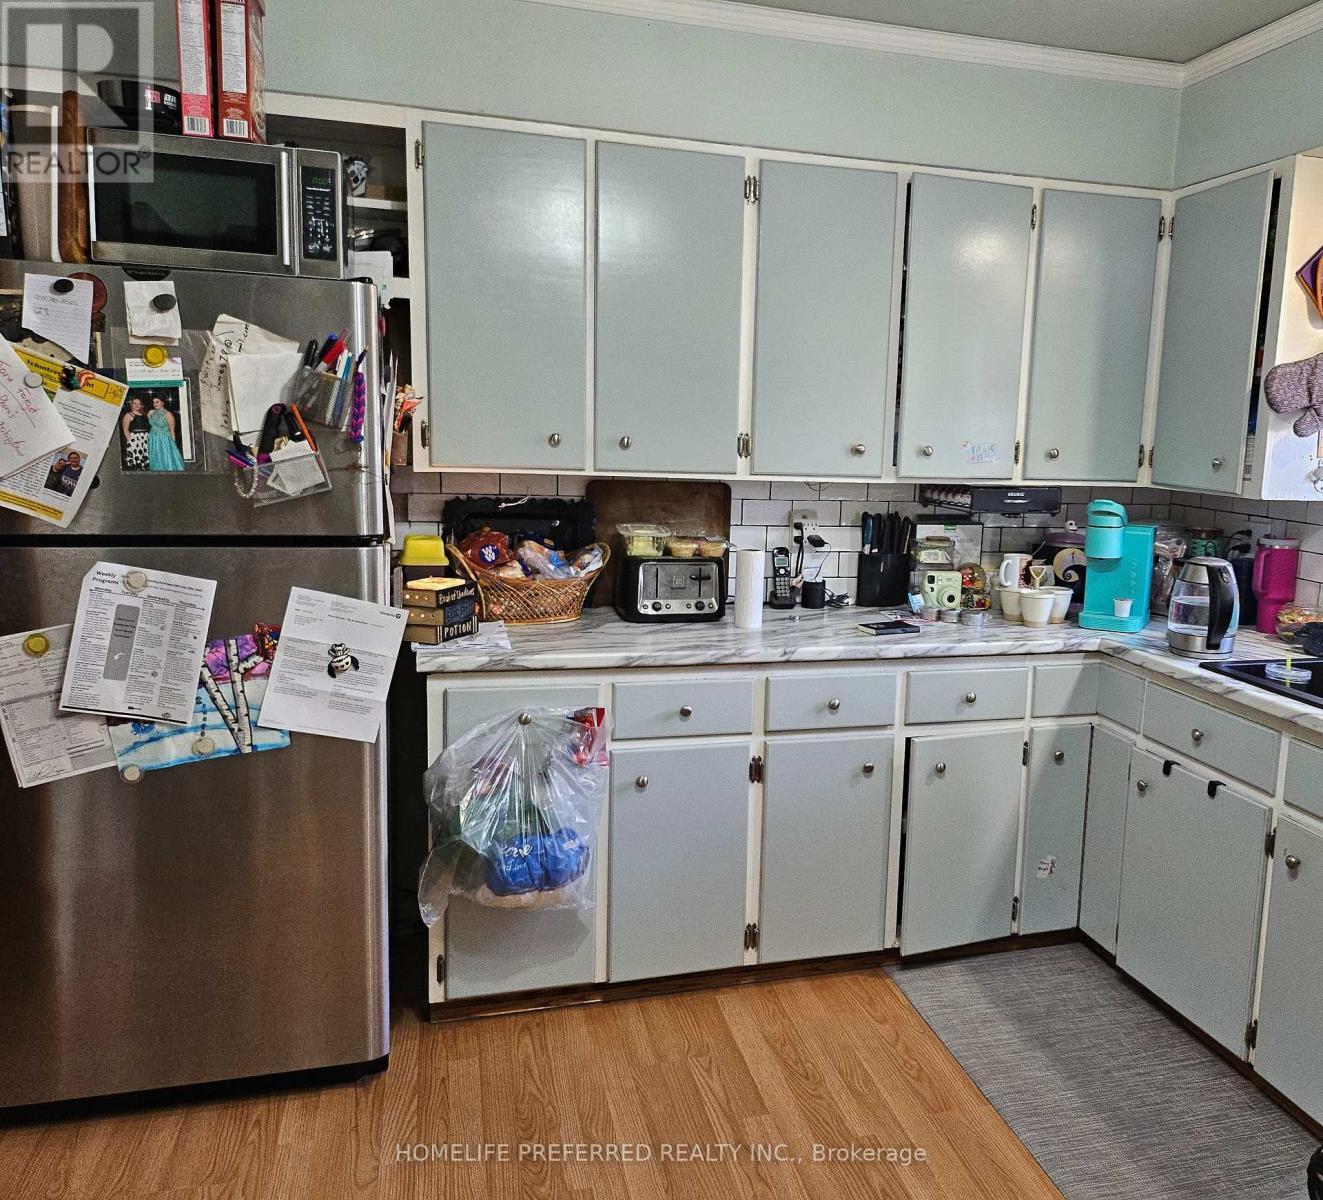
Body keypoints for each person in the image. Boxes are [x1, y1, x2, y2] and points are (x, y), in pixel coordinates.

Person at [146, 394, 184, 472]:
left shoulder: (168, 414)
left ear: (162, 403)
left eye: (157, 402)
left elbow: (172, 431)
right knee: (156, 457)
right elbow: (152, 424)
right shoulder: (150, 413)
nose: (155, 404)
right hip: (153, 438)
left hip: (164, 439)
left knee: (167, 457)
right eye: (154, 403)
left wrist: (173, 444)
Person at [121, 396, 150, 471]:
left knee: (145, 458)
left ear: (141, 405)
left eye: (139, 403)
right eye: (135, 403)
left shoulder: (144, 415)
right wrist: (130, 441)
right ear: (131, 405)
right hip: (135, 439)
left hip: (145, 438)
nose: (137, 405)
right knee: (137, 458)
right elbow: (125, 429)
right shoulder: (129, 415)